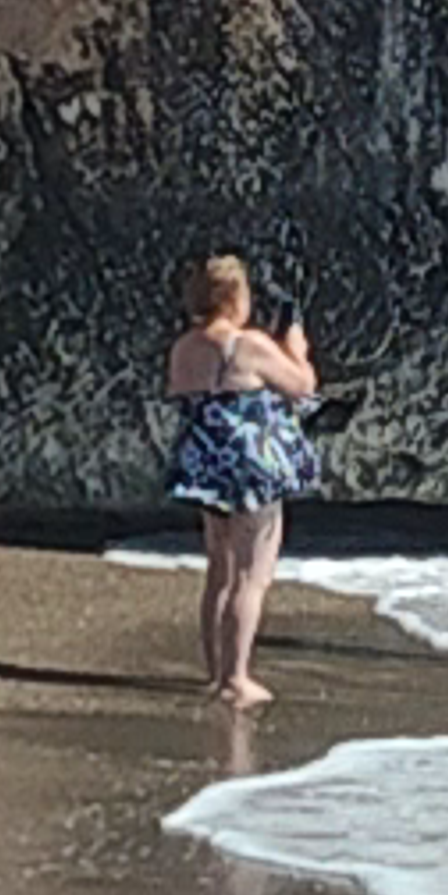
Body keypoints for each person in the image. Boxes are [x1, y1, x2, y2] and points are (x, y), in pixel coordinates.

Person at [163, 249, 323, 707]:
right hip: (253, 468)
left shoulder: (184, 348)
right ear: (235, 296)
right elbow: (303, 386)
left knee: (219, 569)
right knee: (252, 576)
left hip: (204, 468)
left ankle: (215, 672)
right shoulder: (247, 344)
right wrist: (297, 347)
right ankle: (236, 678)